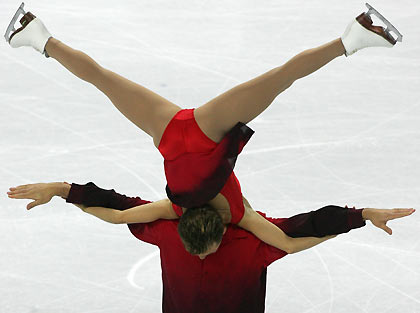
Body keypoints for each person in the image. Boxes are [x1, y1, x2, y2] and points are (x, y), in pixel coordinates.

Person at [5, 3, 404, 254]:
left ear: (215, 233)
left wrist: (362, 217)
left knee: (280, 79)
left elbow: (289, 241)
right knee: (103, 79)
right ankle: (35, 34)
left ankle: (354, 36)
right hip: (169, 131)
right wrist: (60, 192)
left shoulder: (239, 216)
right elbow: (114, 216)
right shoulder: (171, 210)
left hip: (208, 132)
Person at [7, 181, 415, 313]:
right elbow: (116, 207)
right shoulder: (168, 228)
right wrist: (63, 190)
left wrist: (360, 215)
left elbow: (306, 226)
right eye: (194, 250)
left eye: (206, 249)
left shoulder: (250, 236)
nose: (201, 256)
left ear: (222, 229)